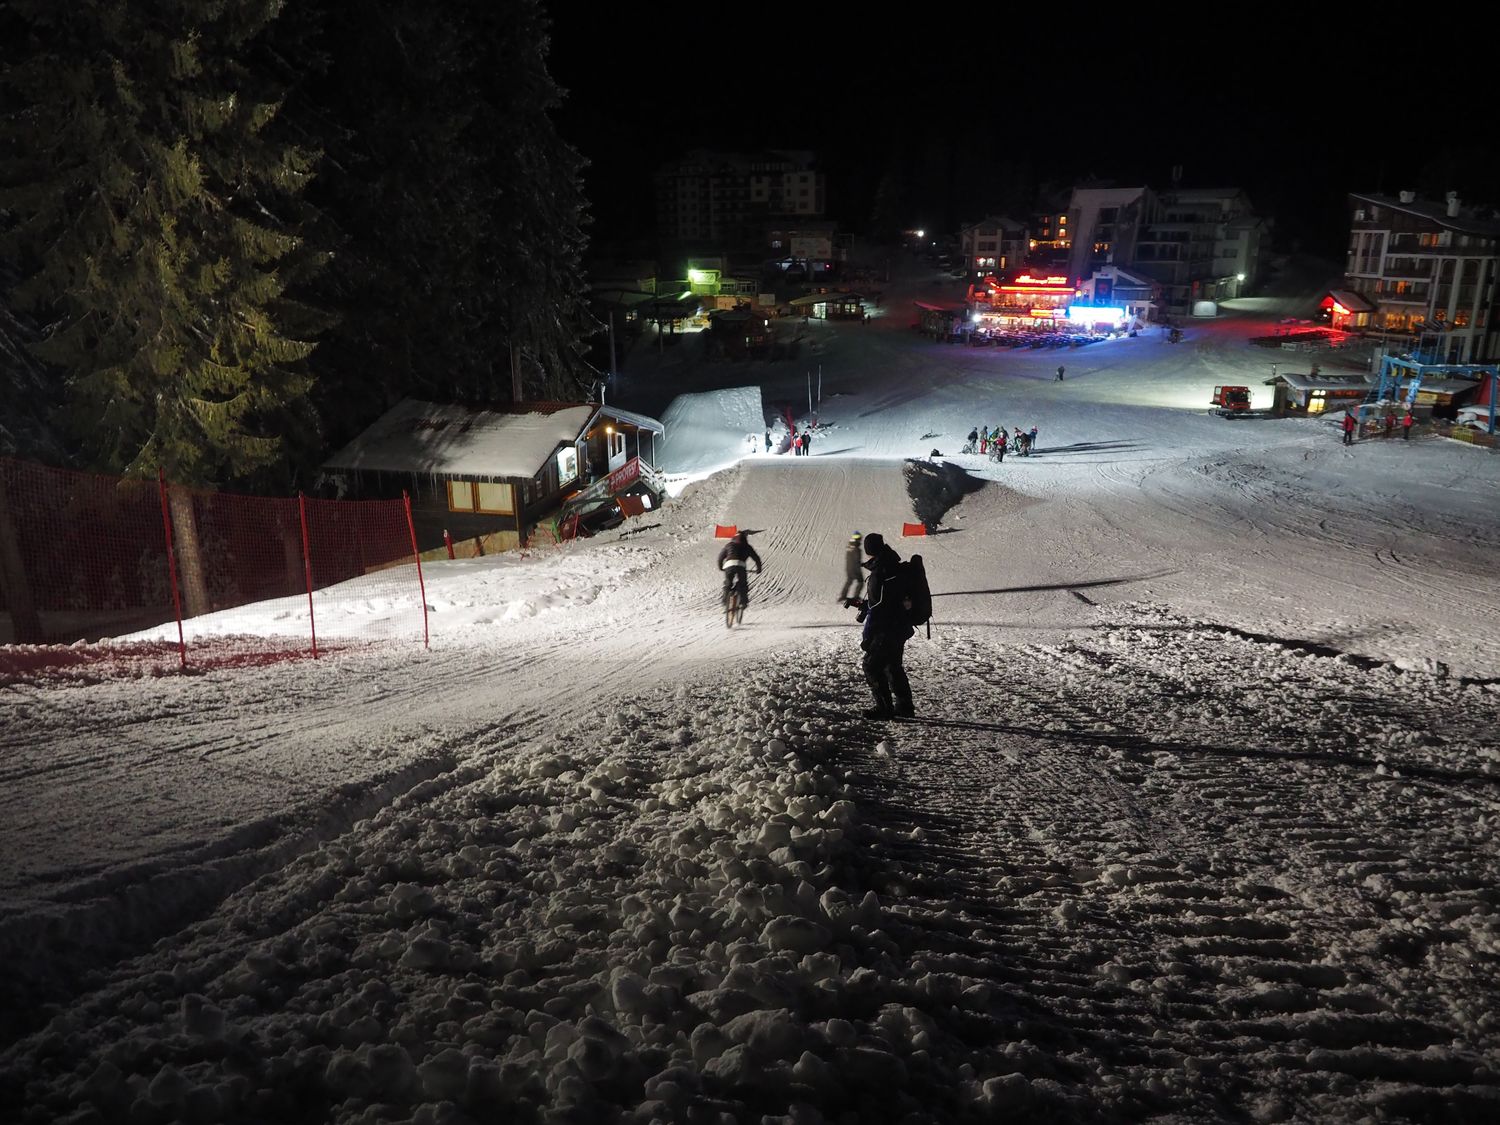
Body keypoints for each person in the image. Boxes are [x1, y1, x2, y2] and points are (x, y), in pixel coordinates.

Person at [849, 532, 915, 720]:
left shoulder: (880, 572)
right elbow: (888, 601)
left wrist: (867, 637)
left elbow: (878, 609)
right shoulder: (894, 566)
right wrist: (866, 605)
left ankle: (884, 708)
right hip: (900, 626)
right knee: (892, 665)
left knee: (871, 665)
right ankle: (905, 707)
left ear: (870, 550)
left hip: (887, 628)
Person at [717, 531, 761, 609]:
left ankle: (725, 600)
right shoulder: (747, 546)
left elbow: (720, 557)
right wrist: (758, 569)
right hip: (741, 566)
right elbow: (756, 558)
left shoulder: (729, 545)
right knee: (742, 584)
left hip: (729, 565)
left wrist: (721, 567)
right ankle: (742, 603)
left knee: (728, 583)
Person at [837, 532, 864, 603]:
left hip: (849, 567)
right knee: (860, 582)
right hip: (855, 568)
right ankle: (856, 596)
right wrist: (860, 565)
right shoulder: (856, 548)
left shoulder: (850, 546)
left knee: (849, 581)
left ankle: (843, 596)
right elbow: (856, 559)